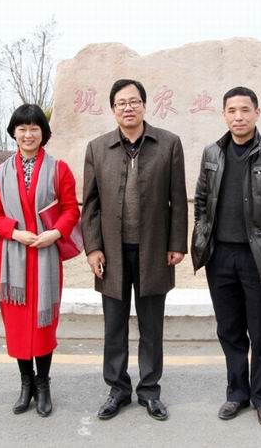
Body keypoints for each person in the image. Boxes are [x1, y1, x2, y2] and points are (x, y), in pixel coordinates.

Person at [191, 86, 261, 428]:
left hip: (259, 257)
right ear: (224, 114)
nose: (238, 117)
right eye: (231, 110)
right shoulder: (212, 153)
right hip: (220, 257)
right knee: (230, 330)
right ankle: (237, 393)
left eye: (244, 110)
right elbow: (201, 201)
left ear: (257, 112)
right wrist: (203, 237)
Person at [81, 78, 188, 421]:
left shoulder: (168, 144)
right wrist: (93, 248)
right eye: (121, 103)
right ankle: (117, 389)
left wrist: (177, 244)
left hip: (153, 251)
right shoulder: (98, 148)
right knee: (114, 327)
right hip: (111, 254)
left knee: (151, 326)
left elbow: (178, 199)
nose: (128, 108)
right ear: (113, 109)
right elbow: (90, 205)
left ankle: (150, 390)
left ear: (144, 105)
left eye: (134, 101)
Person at [0, 104, 80, 417]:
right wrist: (14, 232)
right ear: (14, 133)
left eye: (34, 128)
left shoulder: (59, 168)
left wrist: (55, 233)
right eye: (22, 128)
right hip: (12, 258)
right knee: (17, 324)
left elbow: (71, 209)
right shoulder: (1, 172)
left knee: (43, 324)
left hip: (45, 255)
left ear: (43, 132)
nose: (28, 134)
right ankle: (25, 383)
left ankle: (43, 384)